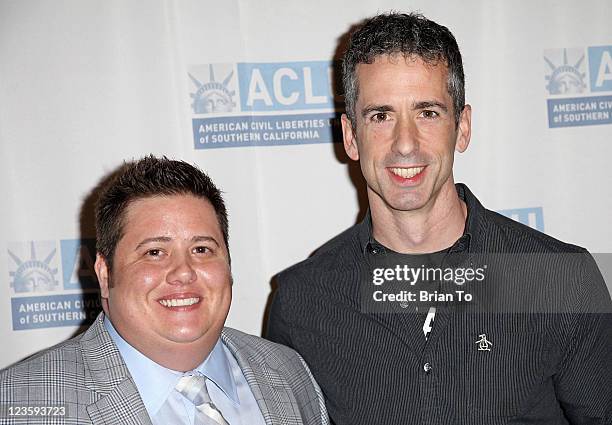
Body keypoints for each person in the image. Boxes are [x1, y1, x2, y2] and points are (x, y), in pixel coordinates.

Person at [267, 12, 612, 425]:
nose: (405, 143)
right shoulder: (303, 301)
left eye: (427, 112)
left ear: (462, 127)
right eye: (381, 116)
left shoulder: (561, 281)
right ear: (350, 136)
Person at [0, 156, 329, 425]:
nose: (184, 272)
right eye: (154, 252)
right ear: (104, 273)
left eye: (201, 249)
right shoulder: (19, 403)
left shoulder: (288, 371)